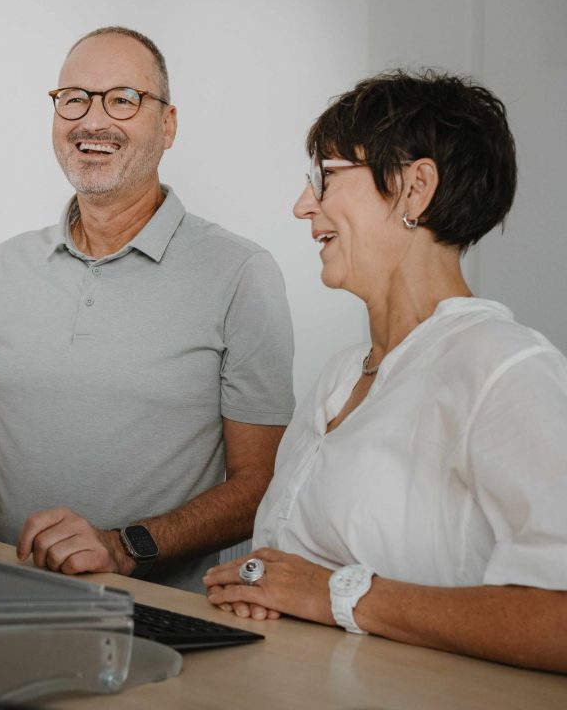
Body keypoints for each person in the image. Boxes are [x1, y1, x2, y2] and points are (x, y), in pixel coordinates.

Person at [204, 69, 567, 672]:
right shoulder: (339, 376)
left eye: (327, 177)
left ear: (414, 188)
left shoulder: (505, 368)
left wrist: (339, 593)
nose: (302, 206)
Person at [0, 27, 295, 592]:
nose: (93, 121)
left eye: (123, 99)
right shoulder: (7, 264)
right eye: (74, 98)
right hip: (4, 601)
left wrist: (124, 547)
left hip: (159, 618)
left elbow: (260, 483)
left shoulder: (240, 273)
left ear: (167, 126)